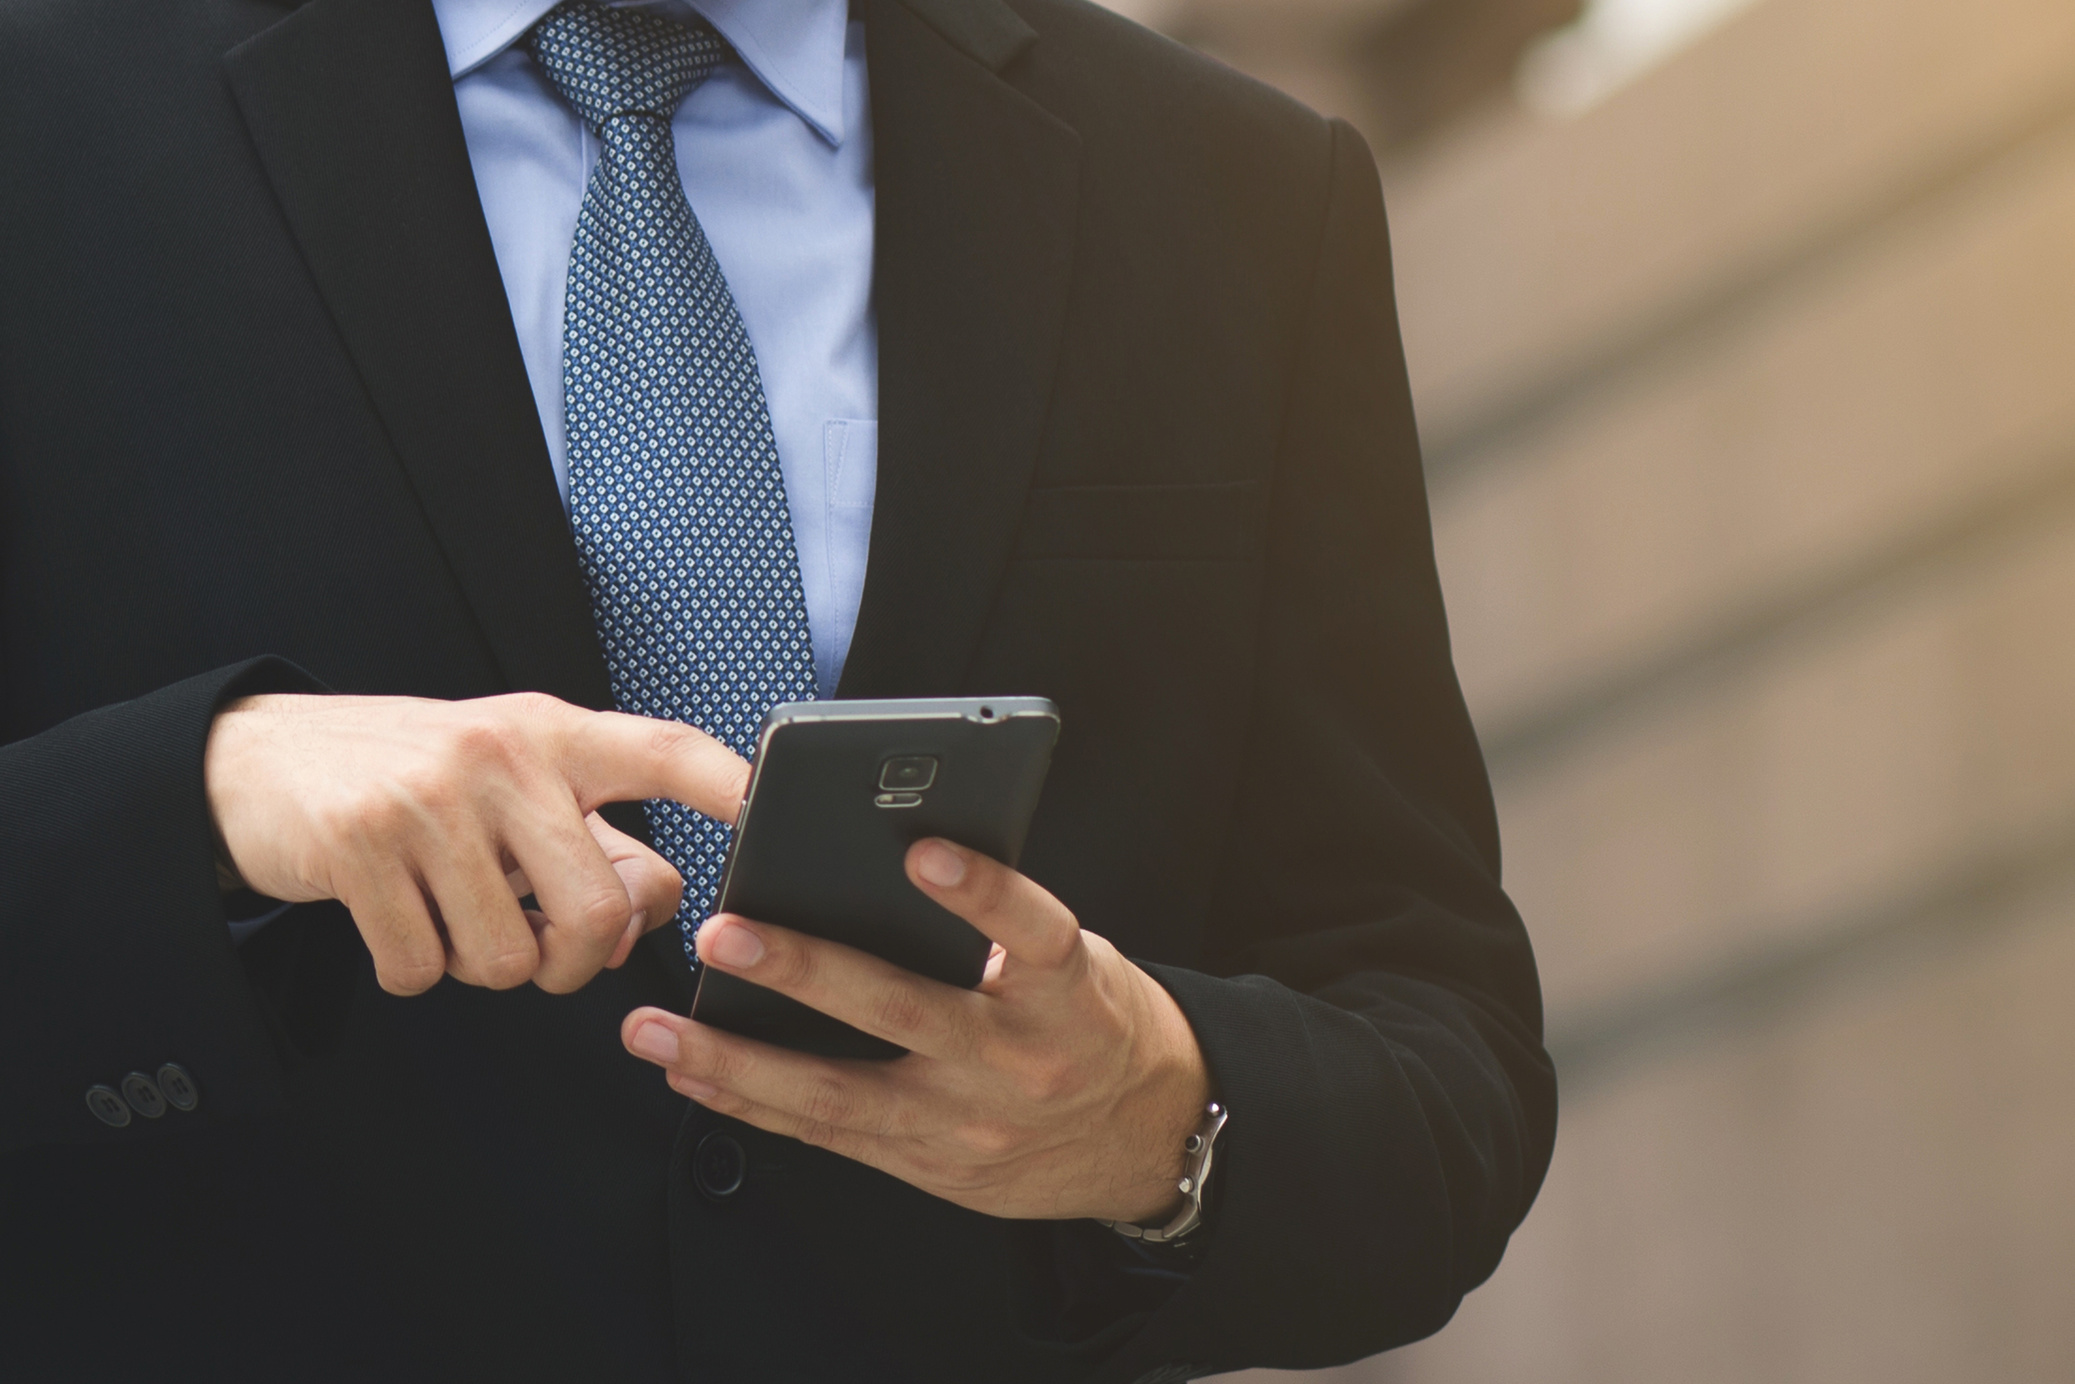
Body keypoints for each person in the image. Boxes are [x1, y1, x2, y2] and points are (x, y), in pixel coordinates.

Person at [0, 0, 1556, 1378]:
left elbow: (1446, 1065)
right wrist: (197, 794)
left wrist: (1164, 1119)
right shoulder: (44, 118)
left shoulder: (1236, 196)